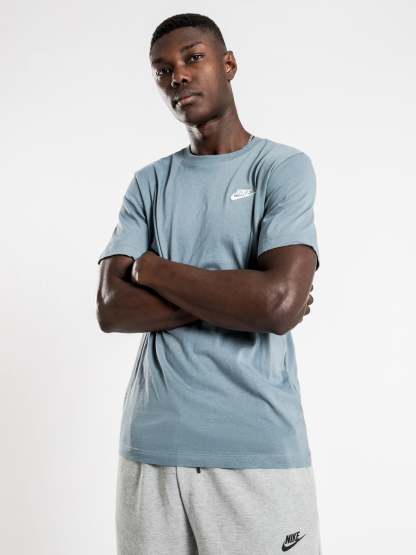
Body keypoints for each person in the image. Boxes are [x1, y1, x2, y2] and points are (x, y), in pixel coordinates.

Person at [96, 12, 322, 555]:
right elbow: (111, 308)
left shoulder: (282, 168)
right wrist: (244, 299)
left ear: (228, 64)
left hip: (257, 450)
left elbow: (278, 304)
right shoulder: (149, 183)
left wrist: (153, 270)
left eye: (192, 57)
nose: (177, 75)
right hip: (151, 448)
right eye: (162, 69)